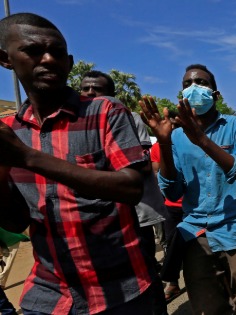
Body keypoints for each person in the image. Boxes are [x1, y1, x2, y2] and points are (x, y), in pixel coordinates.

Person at [0, 13, 156, 314]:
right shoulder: (11, 133)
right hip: (49, 295)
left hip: (123, 290)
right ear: (5, 60)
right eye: (34, 51)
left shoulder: (104, 112)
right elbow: (16, 221)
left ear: (69, 63)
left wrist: (27, 157)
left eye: (57, 53)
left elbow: (131, 187)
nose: (48, 59)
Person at [139, 64, 236, 315]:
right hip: (196, 232)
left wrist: (202, 140)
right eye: (187, 84)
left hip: (235, 228)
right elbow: (172, 192)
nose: (194, 87)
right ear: (181, 94)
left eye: (202, 82)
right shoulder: (175, 137)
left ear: (216, 94)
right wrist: (164, 142)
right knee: (208, 307)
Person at [79, 71, 168, 314]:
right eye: (85, 88)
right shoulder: (78, 124)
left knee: (146, 274)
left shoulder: (126, 117)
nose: (89, 94)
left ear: (112, 97)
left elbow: (141, 165)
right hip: (100, 219)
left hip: (135, 214)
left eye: (96, 89)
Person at [149, 110, 184, 302]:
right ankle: (173, 283)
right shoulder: (159, 147)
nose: (174, 129)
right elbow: (157, 171)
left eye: (177, 126)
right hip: (171, 205)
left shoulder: (191, 142)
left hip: (194, 205)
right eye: (171, 126)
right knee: (171, 244)